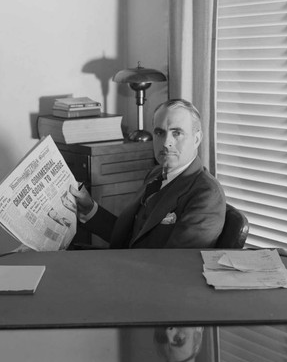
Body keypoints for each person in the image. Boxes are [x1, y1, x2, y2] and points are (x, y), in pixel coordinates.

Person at [70, 98, 226, 249]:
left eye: (177, 133)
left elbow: (178, 264)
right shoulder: (155, 174)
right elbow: (129, 239)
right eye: (159, 133)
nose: (166, 143)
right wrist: (89, 208)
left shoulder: (207, 194)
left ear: (197, 139)